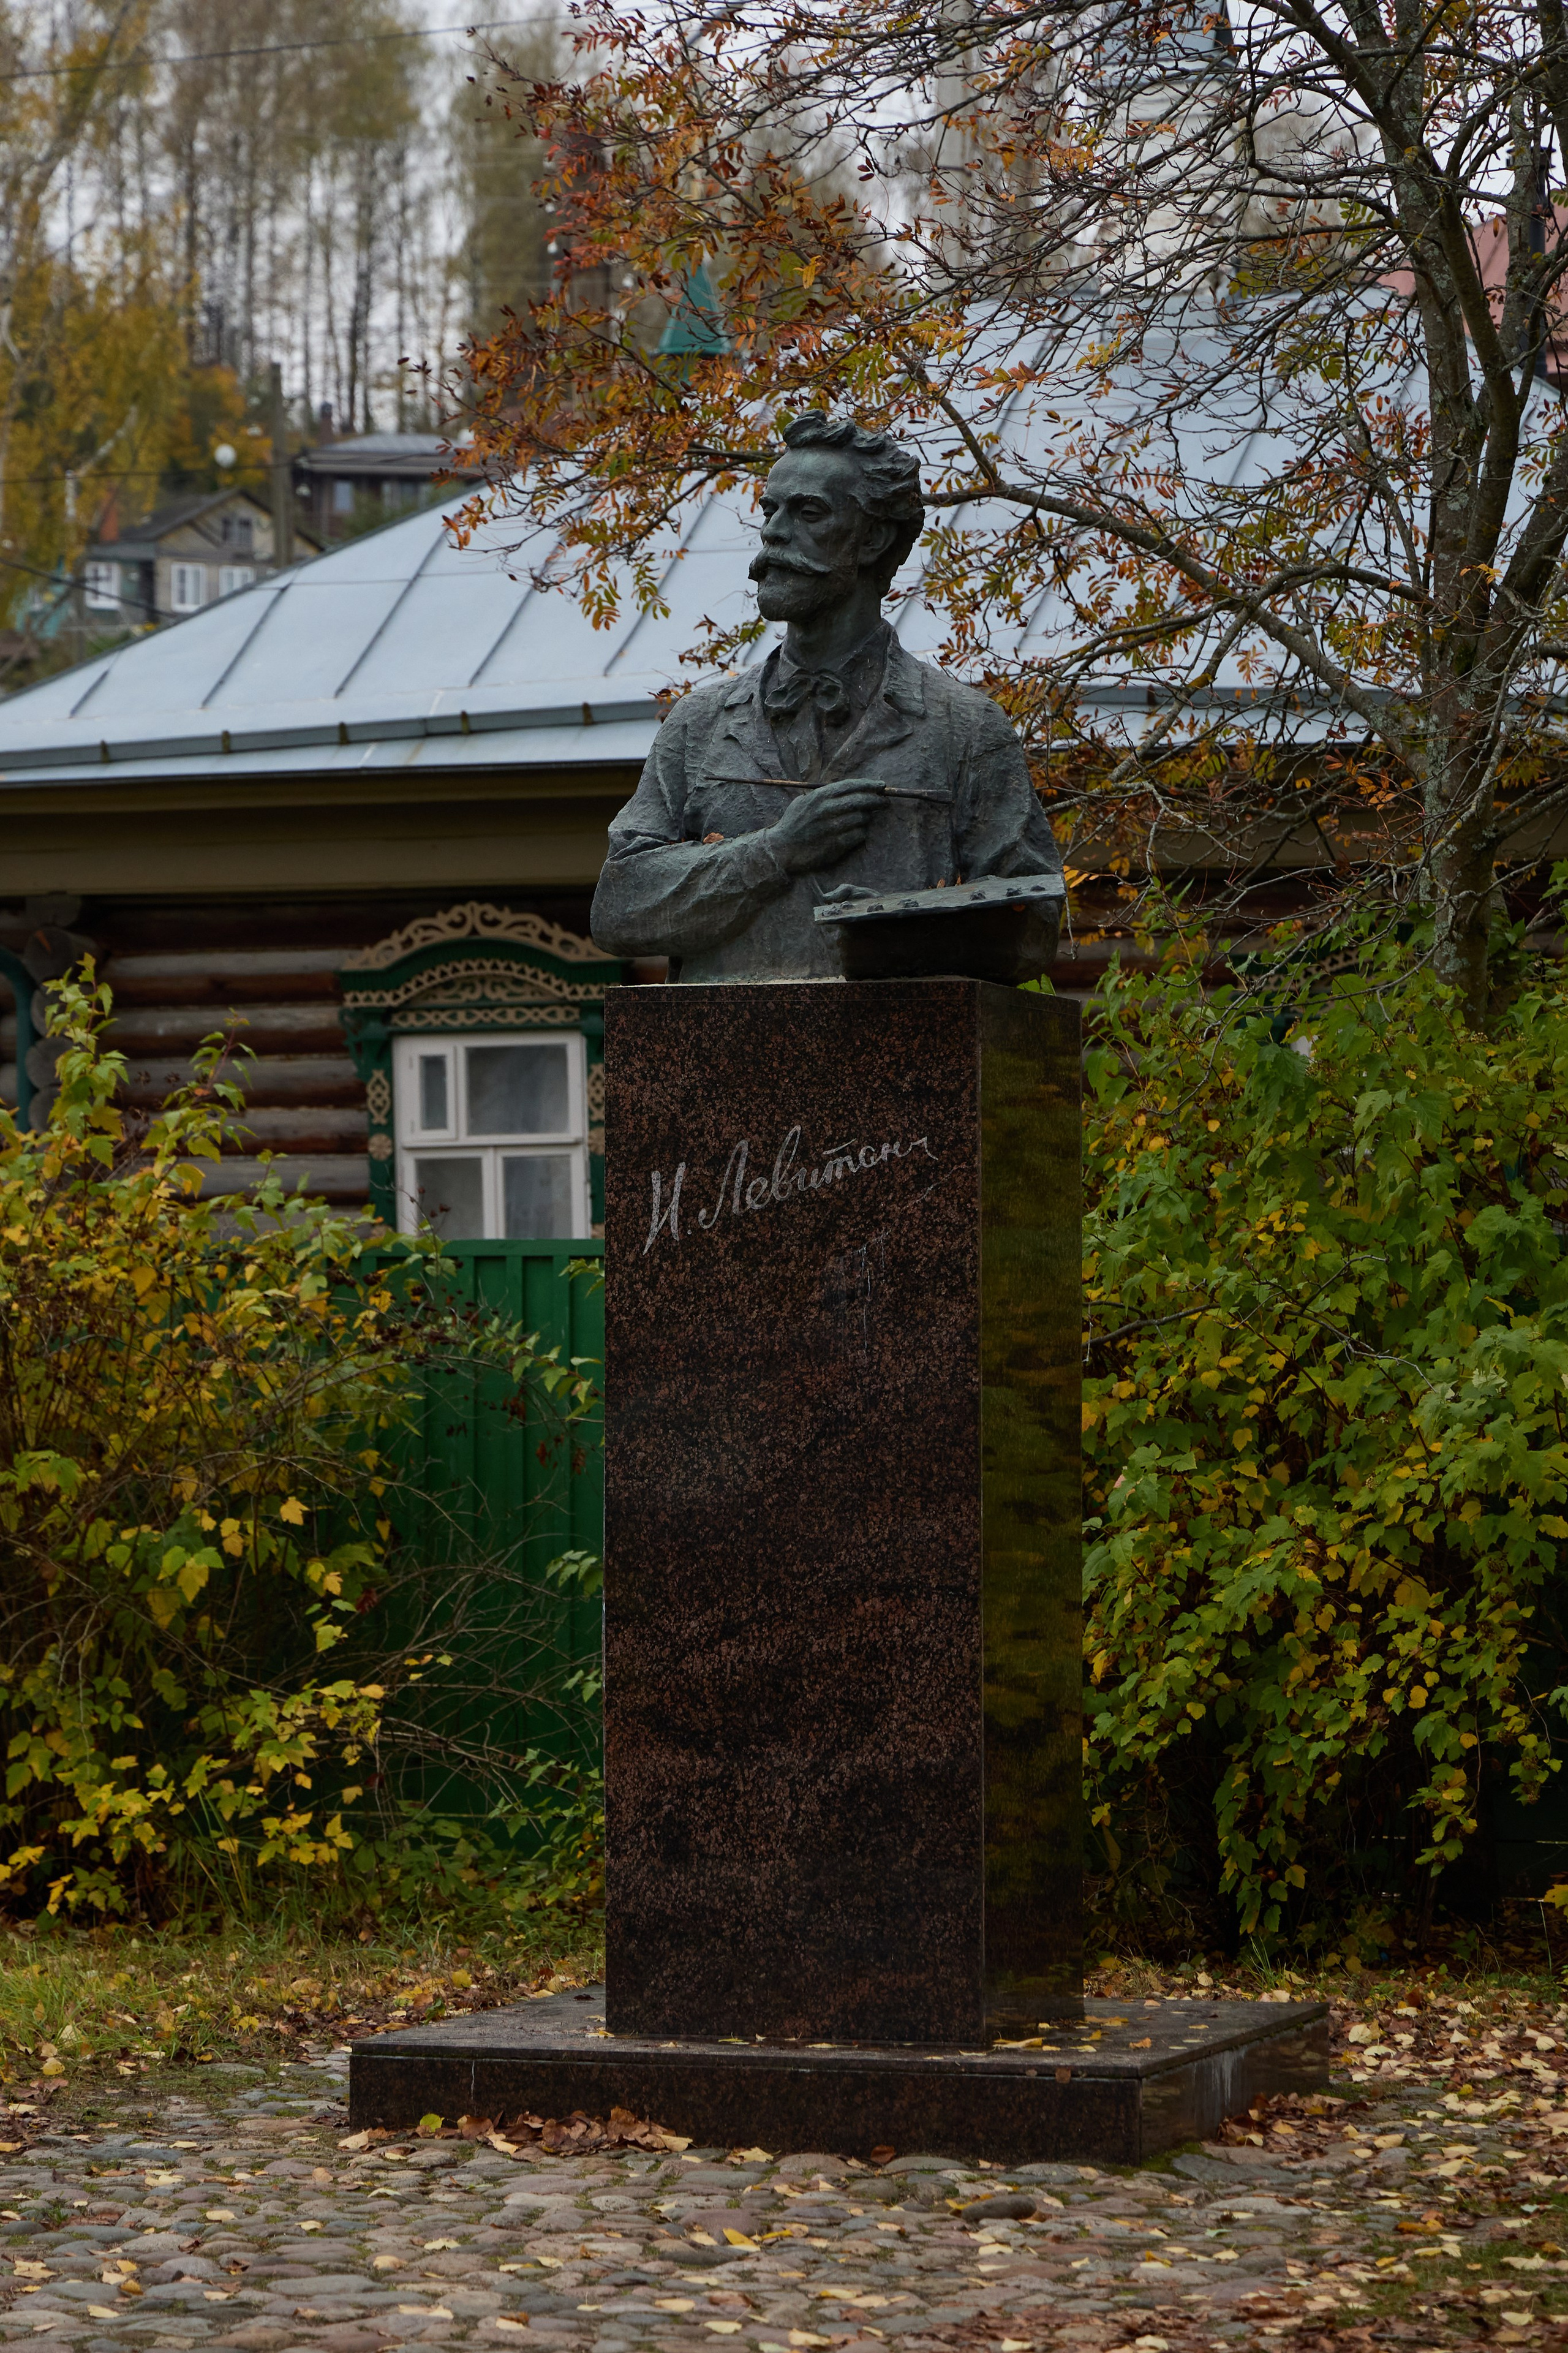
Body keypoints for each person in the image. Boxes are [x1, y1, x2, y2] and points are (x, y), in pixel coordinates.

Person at [589, 412, 1063, 982]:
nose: (774, 532)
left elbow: (1033, 923)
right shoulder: (699, 725)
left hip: (898, 1036)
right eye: (770, 510)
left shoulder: (963, 727)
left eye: (808, 512)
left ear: (874, 539)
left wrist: (901, 932)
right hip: (722, 1036)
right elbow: (619, 908)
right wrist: (774, 851)